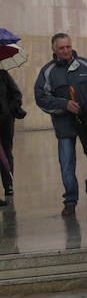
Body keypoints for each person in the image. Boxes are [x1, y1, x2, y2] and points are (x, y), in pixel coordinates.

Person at [34, 33, 87, 216]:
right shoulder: (47, 71)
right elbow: (41, 98)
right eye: (61, 48)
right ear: (54, 50)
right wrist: (63, 104)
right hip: (65, 126)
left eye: (68, 46)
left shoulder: (86, 65)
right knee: (67, 164)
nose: (66, 50)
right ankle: (70, 200)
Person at [0, 68, 24, 201]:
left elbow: (17, 94)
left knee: (6, 151)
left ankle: (8, 184)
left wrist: (8, 111)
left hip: (5, 121)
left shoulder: (3, 75)